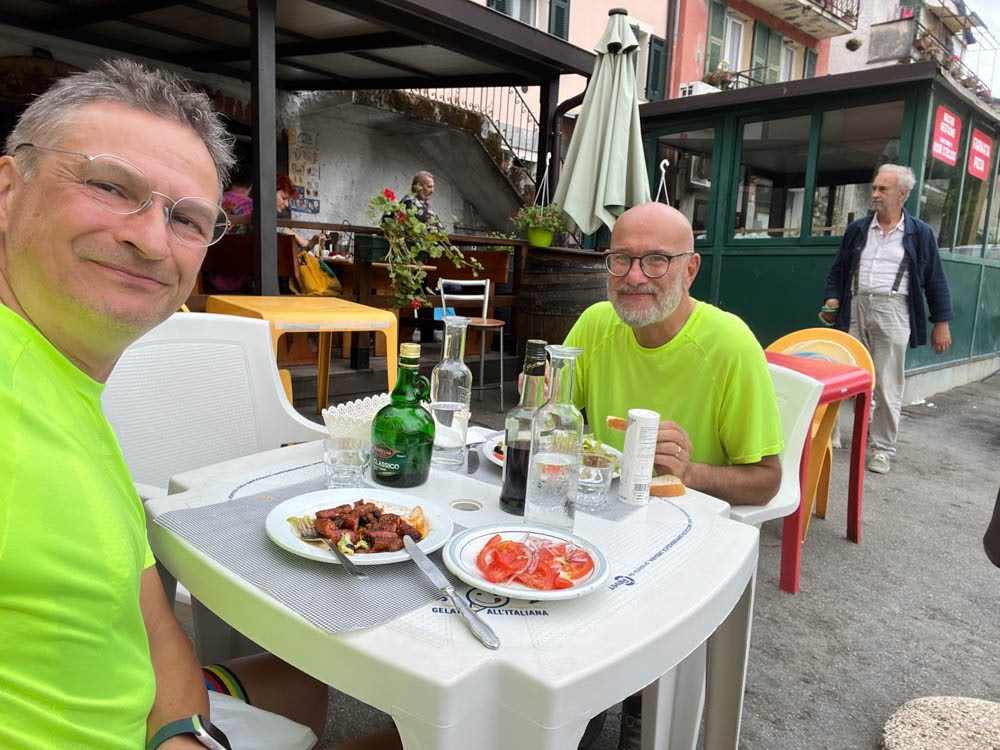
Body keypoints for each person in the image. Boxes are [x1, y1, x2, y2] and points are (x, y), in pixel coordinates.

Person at [0, 59, 396, 750]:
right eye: (108, 185)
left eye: (186, 219)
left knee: (302, 678)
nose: (150, 239)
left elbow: (149, 609)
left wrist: (182, 732)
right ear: (8, 191)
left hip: (154, 711)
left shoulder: (66, 386)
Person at [564, 202, 783, 508]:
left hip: (689, 522)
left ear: (690, 270)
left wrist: (688, 473)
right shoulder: (595, 323)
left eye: (657, 260)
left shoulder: (730, 344)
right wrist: (536, 395)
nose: (634, 276)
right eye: (622, 258)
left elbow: (767, 481)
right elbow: (553, 420)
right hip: (601, 508)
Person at [819, 163, 953, 475]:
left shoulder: (919, 233)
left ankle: (881, 449)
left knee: (888, 384)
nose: (875, 194)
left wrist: (941, 322)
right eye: (875, 187)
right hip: (855, 306)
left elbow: (935, 279)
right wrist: (832, 298)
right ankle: (831, 436)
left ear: (903, 194)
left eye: (884, 189)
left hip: (894, 310)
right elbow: (839, 269)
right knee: (840, 375)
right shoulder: (858, 229)